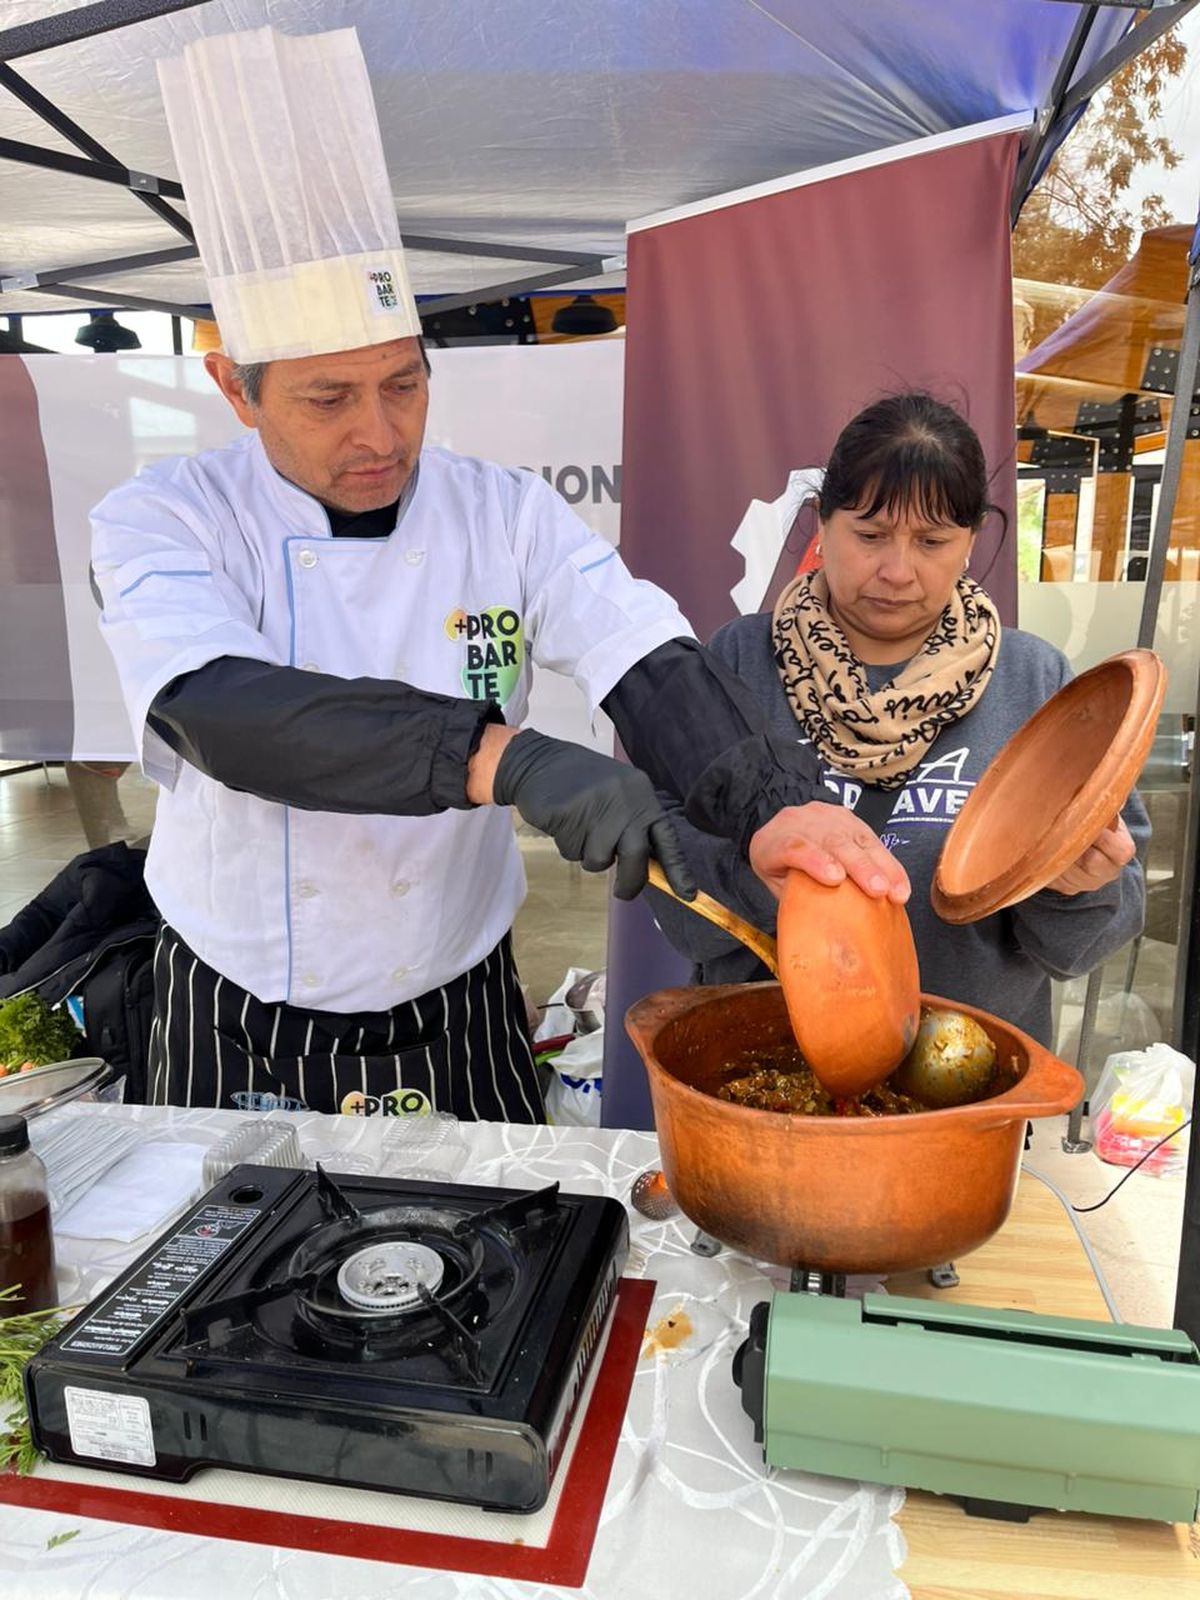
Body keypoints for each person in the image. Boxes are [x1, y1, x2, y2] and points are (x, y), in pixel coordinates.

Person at [91, 25, 902, 1121]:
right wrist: (505, 759)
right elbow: (225, 713)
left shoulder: (501, 510)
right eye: (327, 399)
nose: (379, 433)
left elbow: (636, 644)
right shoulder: (166, 518)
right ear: (234, 386)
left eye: (404, 383)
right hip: (237, 1005)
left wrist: (766, 805)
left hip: (456, 996)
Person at [649, 392, 1147, 1047]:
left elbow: (1085, 941)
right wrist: (760, 876)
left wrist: (1075, 889)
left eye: (932, 541)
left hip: (967, 1070)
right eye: (870, 534)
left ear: (971, 543)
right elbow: (664, 855)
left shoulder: (1037, 685)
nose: (897, 571)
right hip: (760, 1059)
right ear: (822, 526)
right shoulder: (737, 663)